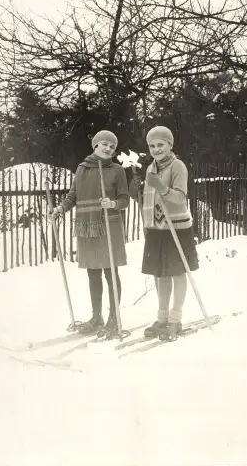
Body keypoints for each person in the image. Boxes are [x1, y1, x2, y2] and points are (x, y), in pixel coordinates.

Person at [50, 130, 129, 338]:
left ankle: (114, 318)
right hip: (88, 227)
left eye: (112, 147)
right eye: (104, 144)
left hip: (108, 226)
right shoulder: (82, 169)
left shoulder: (117, 170)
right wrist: (60, 209)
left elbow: (125, 200)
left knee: (110, 273)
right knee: (93, 273)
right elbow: (73, 195)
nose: (108, 148)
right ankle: (97, 317)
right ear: (95, 145)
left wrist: (112, 203)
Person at [130, 126, 199, 342]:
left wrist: (160, 186)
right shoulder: (151, 168)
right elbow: (149, 199)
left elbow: (180, 197)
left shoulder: (178, 166)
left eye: (161, 144)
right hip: (156, 229)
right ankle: (162, 318)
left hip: (176, 227)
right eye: (152, 146)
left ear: (170, 145)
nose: (156, 149)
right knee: (160, 274)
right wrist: (137, 191)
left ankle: (175, 319)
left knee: (177, 272)